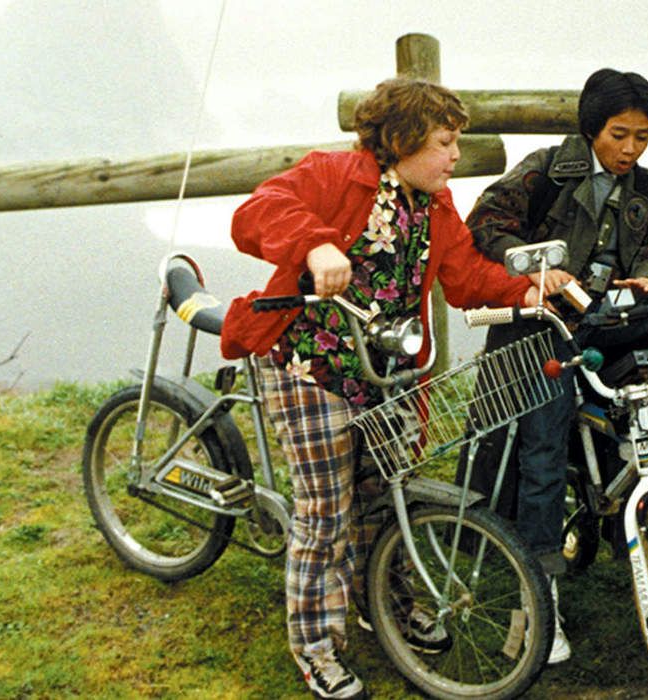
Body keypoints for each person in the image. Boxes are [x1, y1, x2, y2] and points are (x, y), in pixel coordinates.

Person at [220, 77, 539, 699]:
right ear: (401, 141)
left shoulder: (436, 205)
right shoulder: (337, 175)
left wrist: (525, 290)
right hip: (307, 364)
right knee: (326, 512)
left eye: (456, 144)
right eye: (444, 143)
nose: (454, 156)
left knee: (381, 495)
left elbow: (466, 274)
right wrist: (314, 245)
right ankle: (315, 646)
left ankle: (383, 601)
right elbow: (255, 212)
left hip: (383, 371)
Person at [467, 67, 648, 664]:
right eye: (618, 134)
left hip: (611, 329)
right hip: (537, 334)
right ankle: (536, 605)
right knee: (541, 459)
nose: (630, 149)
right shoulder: (547, 169)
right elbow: (484, 222)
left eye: (642, 136)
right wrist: (531, 268)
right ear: (591, 128)